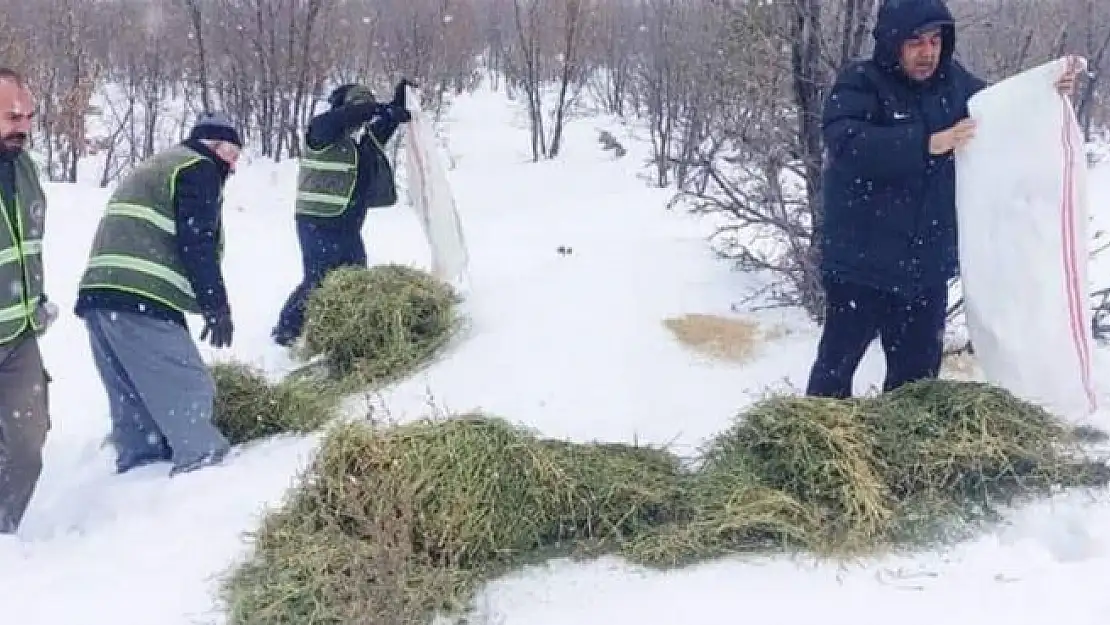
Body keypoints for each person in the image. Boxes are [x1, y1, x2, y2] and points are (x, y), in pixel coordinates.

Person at [806, 0, 1082, 398]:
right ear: (892, 42)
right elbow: (845, 141)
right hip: (860, 267)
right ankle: (812, 452)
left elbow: (1001, 108)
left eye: (935, 40)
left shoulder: (952, 84)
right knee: (834, 374)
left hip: (925, 271)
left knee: (916, 388)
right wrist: (924, 144)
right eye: (916, 41)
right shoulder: (861, 82)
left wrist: (1045, 92)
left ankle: (901, 457)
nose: (927, 52)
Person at [75, 112, 241, 476]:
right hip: (139, 295)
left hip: (102, 295)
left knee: (134, 399)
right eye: (233, 153)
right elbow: (198, 241)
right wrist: (217, 306)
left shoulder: (164, 164)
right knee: (189, 387)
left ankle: (140, 472)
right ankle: (203, 467)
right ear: (215, 145)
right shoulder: (199, 167)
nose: (233, 165)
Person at [271, 79, 414, 347]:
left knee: (355, 277)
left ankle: (343, 330)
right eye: (360, 108)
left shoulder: (359, 140)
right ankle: (286, 331)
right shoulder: (321, 130)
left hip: (347, 224)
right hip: (317, 222)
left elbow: (384, 125)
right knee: (320, 279)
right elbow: (349, 116)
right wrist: (374, 108)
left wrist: (397, 104)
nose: (363, 115)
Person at [0, 67, 58, 533]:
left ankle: (3, 534)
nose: (23, 125)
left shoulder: (23, 168)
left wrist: (35, 298)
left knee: (27, 446)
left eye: (29, 116)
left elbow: (27, 244)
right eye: (11, 115)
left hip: (17, 336)